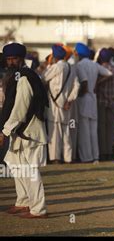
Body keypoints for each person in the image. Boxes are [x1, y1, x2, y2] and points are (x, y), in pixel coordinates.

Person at [0, 43, 49, 218]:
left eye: (14, 59)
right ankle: (23, 202)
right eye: (9, 59)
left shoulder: (25, 78)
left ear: (21, 59)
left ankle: (38, 209)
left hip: (30, 131)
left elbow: (20, 110)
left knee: (30, 169)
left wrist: (5, 131)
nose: (11, 62)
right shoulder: (15, 77)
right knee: (17, 166)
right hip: (19, 131)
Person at [74, 43, 112, 163]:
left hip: (84, 99)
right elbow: (109, 73)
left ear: (78, 54)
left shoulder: (79, 65)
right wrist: (97, 83)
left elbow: (84, 83)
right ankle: (95, 156)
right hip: (93, 99)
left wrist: (77, 95)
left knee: (84, 131)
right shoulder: (94, 64)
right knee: (93, 131)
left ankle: (87, 157)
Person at [43, 44, 80, 164]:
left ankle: (55, 158)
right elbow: (77, 85)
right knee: (66, 132)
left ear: (54, 56)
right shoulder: (71, 67)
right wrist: (69, 100)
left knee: (54, 132)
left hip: (54, 105)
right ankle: (68, 158)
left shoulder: (55, 67)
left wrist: (46, 67)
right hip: (66, 105)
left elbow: (44, 78)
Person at [96, 48, 114, 161]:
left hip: (101, 101)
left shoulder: (101, 70)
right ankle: (111, 151)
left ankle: (103, 152)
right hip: (112, 101)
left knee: (102, 128)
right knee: (111, 128)